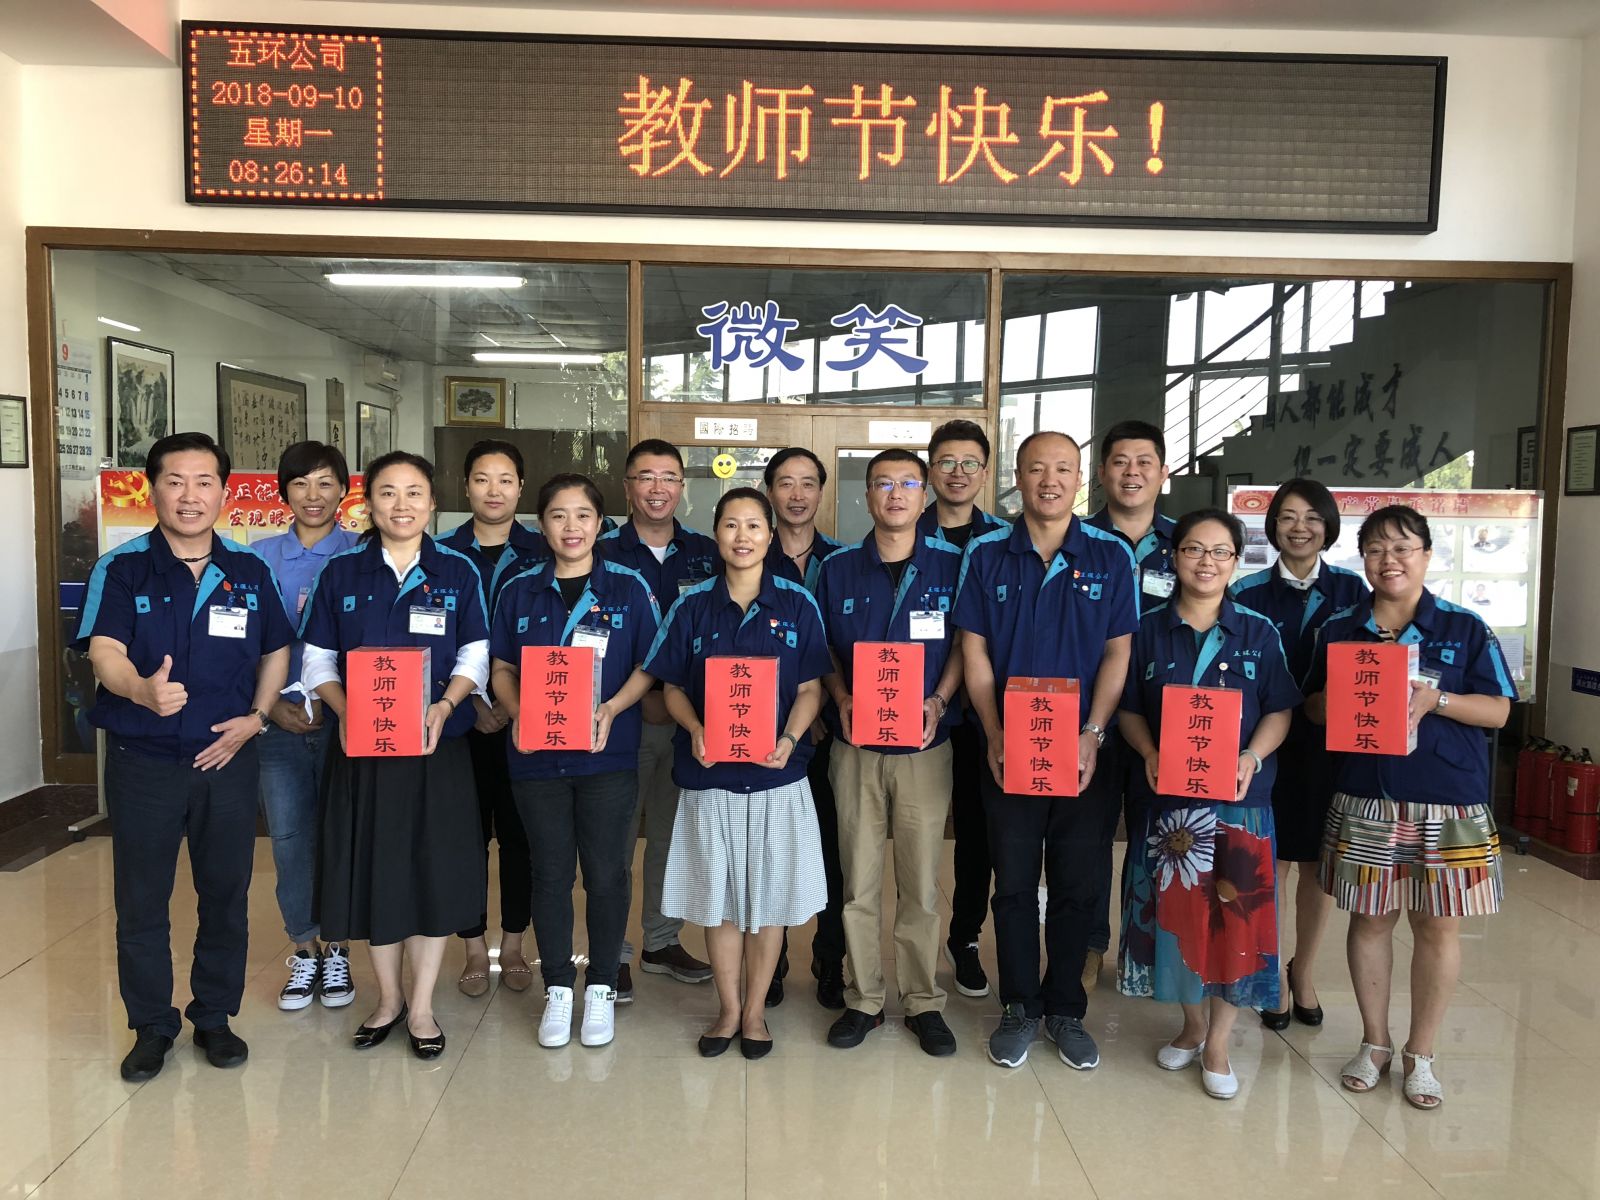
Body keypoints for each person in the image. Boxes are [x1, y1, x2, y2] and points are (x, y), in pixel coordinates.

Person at [75, 432, 293, 1081]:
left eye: (204, 482)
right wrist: (140, 689)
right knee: (142, 899)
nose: (189, 495)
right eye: (175, 481)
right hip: (144, 761)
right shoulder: (122, 568)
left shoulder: (249, 570)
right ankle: (151, 1025)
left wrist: (257, 718)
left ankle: (214, 1016)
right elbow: (104, 651)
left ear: (225, 492)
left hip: (227, 760)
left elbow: (277, 648)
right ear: (153, 489)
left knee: (225, 894)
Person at [1304, 504, 1515, 1111]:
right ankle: (1375, 1043)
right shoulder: (1340, 628)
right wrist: (1334, 700)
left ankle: (1421, 1054)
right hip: (1367, 797)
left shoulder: (1464, 627)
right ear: (1362, 560)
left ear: (1426, 555)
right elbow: (1311, 707)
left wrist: (1437, 699)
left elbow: (1499, 711)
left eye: (1402, 548)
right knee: (1370, 920)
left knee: (1437, 924)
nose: (1388, 560)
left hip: (1449, 802)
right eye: (1375, 549)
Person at [954, 431, 1138, 1071]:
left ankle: (1065, 1010)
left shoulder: (1111, 554)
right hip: (1009, 748)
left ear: (1080, 479)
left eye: (1063, 468)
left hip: (1086, 753)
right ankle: (1018, 1006)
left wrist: (1093, 732)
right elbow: (974, 651)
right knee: (1011, 884)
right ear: (1018, 477)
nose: (1050, 480)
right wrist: (994, 731)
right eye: (1037, 469)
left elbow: (1118, 652)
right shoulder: (986, 554)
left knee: (1076, 883)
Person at [300, 451, 491, 1060]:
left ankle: (424, 1006)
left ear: (433, 503)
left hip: (436, 749)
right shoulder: (341, 573)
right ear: (368, 503)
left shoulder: (457, 570)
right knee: (374, 872)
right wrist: (347, 711)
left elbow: (476, 652)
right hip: (365, 753)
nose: (401, 505)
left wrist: (446, 705)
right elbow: (317, 659)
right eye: (387, 492)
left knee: (430, 874)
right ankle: (387, 1000)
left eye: (414, 493)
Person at [1116, 508, 1300, 1100]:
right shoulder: (1145, 628)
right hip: (1170, 805)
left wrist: (1252, 757)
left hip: (1240, 804)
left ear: (1236, 562)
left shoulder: (1258, 632)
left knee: (1233, 922)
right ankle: (1192, 1026)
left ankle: (1219, 1042)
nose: (1206, 562)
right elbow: (1128, 707)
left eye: (1221, 552)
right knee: (1181, 921)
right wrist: (1148, 750)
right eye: (1194, 549)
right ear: (1174, 556)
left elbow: (1279, 709)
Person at [643, 488, 831, 1059]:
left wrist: (789, 738)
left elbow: (811, 688)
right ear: (716, 534)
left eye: (753, 526)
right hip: (711, 779)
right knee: (719, 899)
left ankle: (755, 1013)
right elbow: (672, 687)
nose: (742, 536)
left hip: (777, 779)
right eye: (730, 525)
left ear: (770, 537)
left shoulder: (797, 603)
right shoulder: (691, 606)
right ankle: (727, 1010)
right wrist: (696, 727)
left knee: (768, 901)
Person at [490, 473, 661, 1048]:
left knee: (608, 873)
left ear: (600, 523)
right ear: (541, 524)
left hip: (604, 758)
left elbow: (648, 664)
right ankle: (559, 987)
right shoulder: (518, 589)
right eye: (558, 515)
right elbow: (501, 668)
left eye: (583, 515)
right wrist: (519, 713)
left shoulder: (628, 588)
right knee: (550, 872)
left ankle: (603, 985)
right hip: (536, 761)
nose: (571, 527)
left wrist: (611, 707)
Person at [815, 450, 965, 1056]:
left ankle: (923, 1000)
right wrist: (841, 695)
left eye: (908, 483)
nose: (896, 494)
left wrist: (940, 699)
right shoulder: (838, 568)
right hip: (854, 747)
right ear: (867, 497)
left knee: (921, 882)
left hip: (925, 747)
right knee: (858, 880)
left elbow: (968, 643)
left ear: (924, 495)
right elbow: (822, 647)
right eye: (883, 483)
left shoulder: (954, 565)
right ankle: (864, 998)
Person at [1229, 479, 1367, 1031]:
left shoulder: (1354, 592)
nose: (1300, 528)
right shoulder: (1247, 592)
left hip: (1327, 748)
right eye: (1287, 517)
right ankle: (1270, 974)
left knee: (1315, 864)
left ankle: (1302, 971)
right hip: (1259, 744)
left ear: (1329, 526)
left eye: (1312, 517)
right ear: (1272, 526)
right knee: (1270, 862)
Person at [596, 439, 720, 997]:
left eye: (668, 477)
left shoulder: (706, 553)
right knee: (615, 840)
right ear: (627, 487)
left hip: (690, 719)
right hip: (620, 718)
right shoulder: (601, 551)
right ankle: (612, 951)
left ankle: (661, 940)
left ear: (681, 488)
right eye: (645, 476)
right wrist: (640, 693)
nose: (657, 488)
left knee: (671, 836)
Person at [252, 441, 361, 1013]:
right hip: (278, 724)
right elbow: (240, 642)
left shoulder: (362, 554)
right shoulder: (256, 557)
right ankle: (304, 948)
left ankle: (338, 946)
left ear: (344, 489)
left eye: (324, 483)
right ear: (283, 491)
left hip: (349, 721)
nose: (312, 495)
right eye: (299, 483)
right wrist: (268, 706)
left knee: (342, 834)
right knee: (290, 837)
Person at [439, 440, 543, 997]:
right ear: (466, 486)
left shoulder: (544, 549)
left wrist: (510, 703)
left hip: (529, 717)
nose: (494, 490)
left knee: (522, 836)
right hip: (457, 723)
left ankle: (515, 944)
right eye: (482, 479)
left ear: (521, 487)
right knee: (466, 837)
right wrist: (472, 703)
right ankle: (474, 948)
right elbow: (433, 643)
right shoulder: (441, 554)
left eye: (505, 479)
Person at [1083, 420, 1177, 992]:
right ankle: (1090, 944)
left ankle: (1144, 951)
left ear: (1163, 473)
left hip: (1165, 720)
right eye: (1120, 461)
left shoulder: (1187, 541)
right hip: (1091, 716)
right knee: (1089, 838)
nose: (1132, 472)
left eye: (1144, 462)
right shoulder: (1079, 539)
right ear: (1102, 473)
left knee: (1156, 836)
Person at [919, 419, 1010, 1000]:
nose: (957, 473)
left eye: (969, 463)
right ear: (930, 470)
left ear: (985, 471)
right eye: (946, 462)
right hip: (910, 716)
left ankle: (965, 937)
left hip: (983, 716)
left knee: (979, 836)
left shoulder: (1004, 541)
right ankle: (908, 945)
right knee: (915, 835)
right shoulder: (901, 528)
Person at [763, 447, 845, 1008]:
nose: (797, 494)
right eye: (786, 483)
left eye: (808, 483)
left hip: (836, 731)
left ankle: (829, 958)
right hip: (769, 737)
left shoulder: (844, 562)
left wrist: (820, 711)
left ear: (821, 491)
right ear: (769, 491)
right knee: (773, 849)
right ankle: (771, 961)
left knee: (834, 851)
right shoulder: (748, 552)